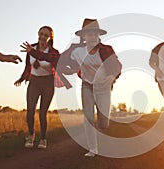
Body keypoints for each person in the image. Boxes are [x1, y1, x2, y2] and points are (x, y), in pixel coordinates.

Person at [59, 18, 122, 157]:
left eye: (95, 34)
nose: (93, 37)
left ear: (98, 36)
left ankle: (102, 125)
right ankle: (93, 149)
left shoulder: (106, 49)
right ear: (83, 36)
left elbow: (117, 65)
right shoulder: (76, 51)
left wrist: (112, 77)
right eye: (89, 34)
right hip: (87, 85)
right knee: (88, 117)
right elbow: (59, 60)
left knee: (103, 123)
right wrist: (70, 69)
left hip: (103, 87)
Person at [14, 26, 62, 149]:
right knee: (30, 110)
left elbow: (50, 59)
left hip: (48, 83)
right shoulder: (31, 48)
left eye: (46, 35)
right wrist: (22, 78)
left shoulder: (53, 53)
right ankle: (30, 135)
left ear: (50, 38)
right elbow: (27, 67)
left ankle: (43, 139)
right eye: (41, 34)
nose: (42, 37)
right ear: (38, 34)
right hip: (34, 82)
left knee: (42, 113)